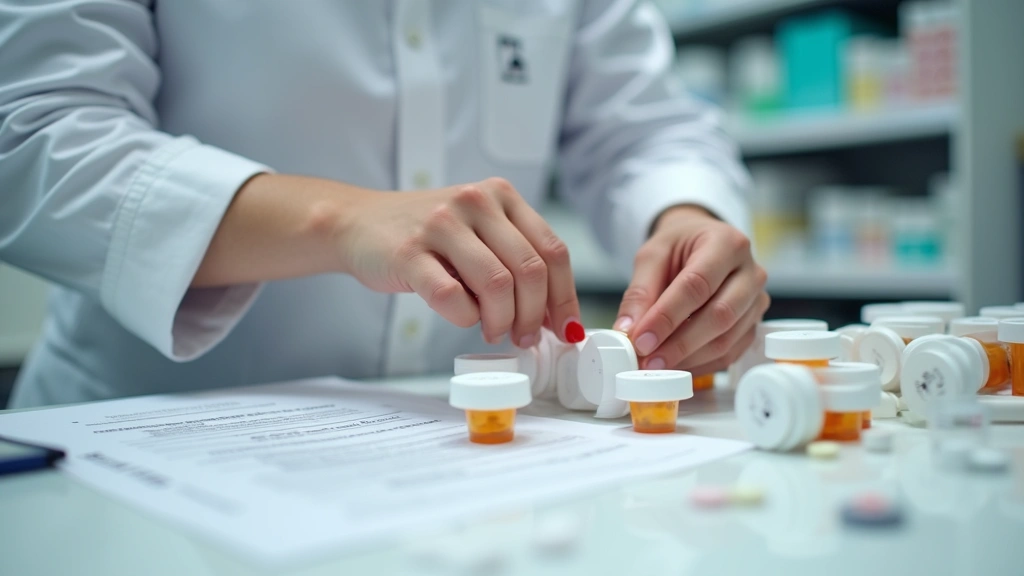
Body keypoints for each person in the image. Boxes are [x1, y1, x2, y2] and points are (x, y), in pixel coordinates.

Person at [0, 0, 768, 408]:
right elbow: (34, 134)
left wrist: (686, 217)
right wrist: (338, 221)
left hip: (463, 448)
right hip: (148, 442)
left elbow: (645, 127)